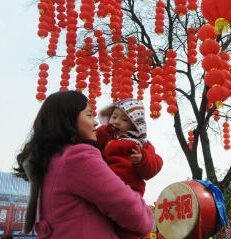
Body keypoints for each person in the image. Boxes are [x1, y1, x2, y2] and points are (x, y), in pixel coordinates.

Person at [14, 90, 154, 239]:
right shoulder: (77, 157)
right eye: (89, 115)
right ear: (68, 119)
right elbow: (129, 208)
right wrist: (148, 218)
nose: (95, 122)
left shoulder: (49, 161)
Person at [96, 98, 163, 198]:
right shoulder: (106, 139)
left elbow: (155, 165)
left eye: (125, 119)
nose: (117, 122)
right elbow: (92, 143)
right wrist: (107, 130)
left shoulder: (141, 144)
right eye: (114, 117)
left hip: (129, 190)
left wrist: (142, 159)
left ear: (135, 125)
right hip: (103, 186)